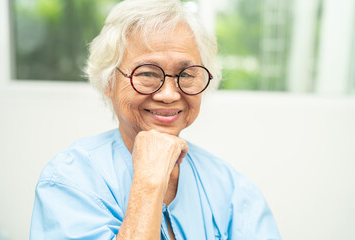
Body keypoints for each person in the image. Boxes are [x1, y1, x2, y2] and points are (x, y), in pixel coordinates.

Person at [30, 0, 281, 239]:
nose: (169, 94)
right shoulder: (69, 180)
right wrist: (149, 183)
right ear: (109, 82)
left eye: (186, 74)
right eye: (148, 73)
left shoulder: (233, 190)